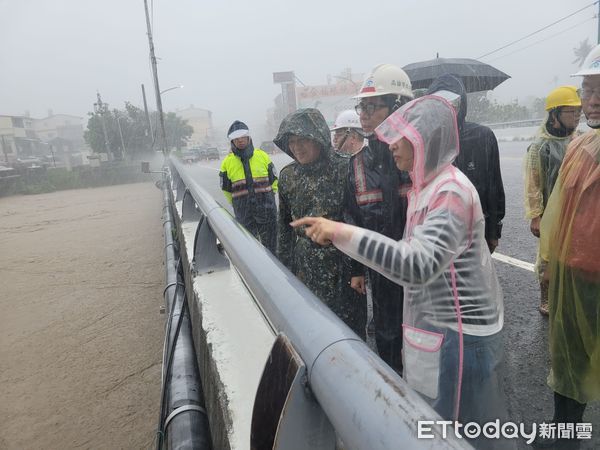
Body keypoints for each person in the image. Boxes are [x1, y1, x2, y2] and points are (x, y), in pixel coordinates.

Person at [292, 96, 507, 443]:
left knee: (462, 434)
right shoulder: (426, 188)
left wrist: (340, 232)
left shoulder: (449, 193)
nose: (392, 145)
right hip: (441, 331)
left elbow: (416, 265)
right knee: (440, 426)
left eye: (402, 136)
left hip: (461, 337)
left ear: (425, 139)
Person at [535, 45, 600, 449]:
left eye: (599, 90)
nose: (591, 100)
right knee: (569, 361)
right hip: (573, 275)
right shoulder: (579, 146)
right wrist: (547, 263)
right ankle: (564, 436)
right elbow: (558, 210)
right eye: (588, 91)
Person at [343, 63, 414, 373]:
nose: (364, 114)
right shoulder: (357, 165)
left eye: (372, 106)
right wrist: (356, 269)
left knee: (424, 340)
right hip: (382, 272)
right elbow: (351, 219)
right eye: (362, 106)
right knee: (386, 335)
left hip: (422, 271)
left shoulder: (419, 158)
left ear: (397, 106)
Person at [274, 108, 366, 336]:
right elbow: (285, 227)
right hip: (305, 270)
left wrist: (359, 270)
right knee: (313, 332)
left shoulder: (347, 167)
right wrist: (283, 271)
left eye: (303, 140)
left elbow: (359, 221)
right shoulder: (288, 177)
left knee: (349, 334)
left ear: (318, 137)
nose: (297, 147)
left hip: (343, 271)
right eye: (292, 142)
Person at [427, 74, 505, 253]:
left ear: (462, 104)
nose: (448, 110)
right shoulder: (427, 140)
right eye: (440, 104)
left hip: (476, 230)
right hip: (438, 233)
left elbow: (494, 187)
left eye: (452, 103)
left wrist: (494, 231)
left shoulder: (482, 136)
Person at [524, 86, 582, 316]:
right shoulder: (540, 146)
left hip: (576, 211)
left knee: (574, 255)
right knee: (548, 257)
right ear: (555, 114)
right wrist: (536, 216)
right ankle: (546, 296)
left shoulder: (580, 141)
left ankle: (569, 295)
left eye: (579, 112)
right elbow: (533, 183)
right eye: (571, 112)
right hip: (550, 213)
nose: (577, 117)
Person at [219, 120, 278, 252]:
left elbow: (273, 180)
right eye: (236, 138)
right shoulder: (227, 163)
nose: (240, 140)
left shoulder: (262, 156)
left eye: (243, 137)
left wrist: (270, 198)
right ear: (232, 141)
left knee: (272, 248)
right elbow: (226, 189)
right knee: (249, 249)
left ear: (248, 137)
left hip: (266, 210)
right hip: (243, 212)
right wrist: (236, 203)